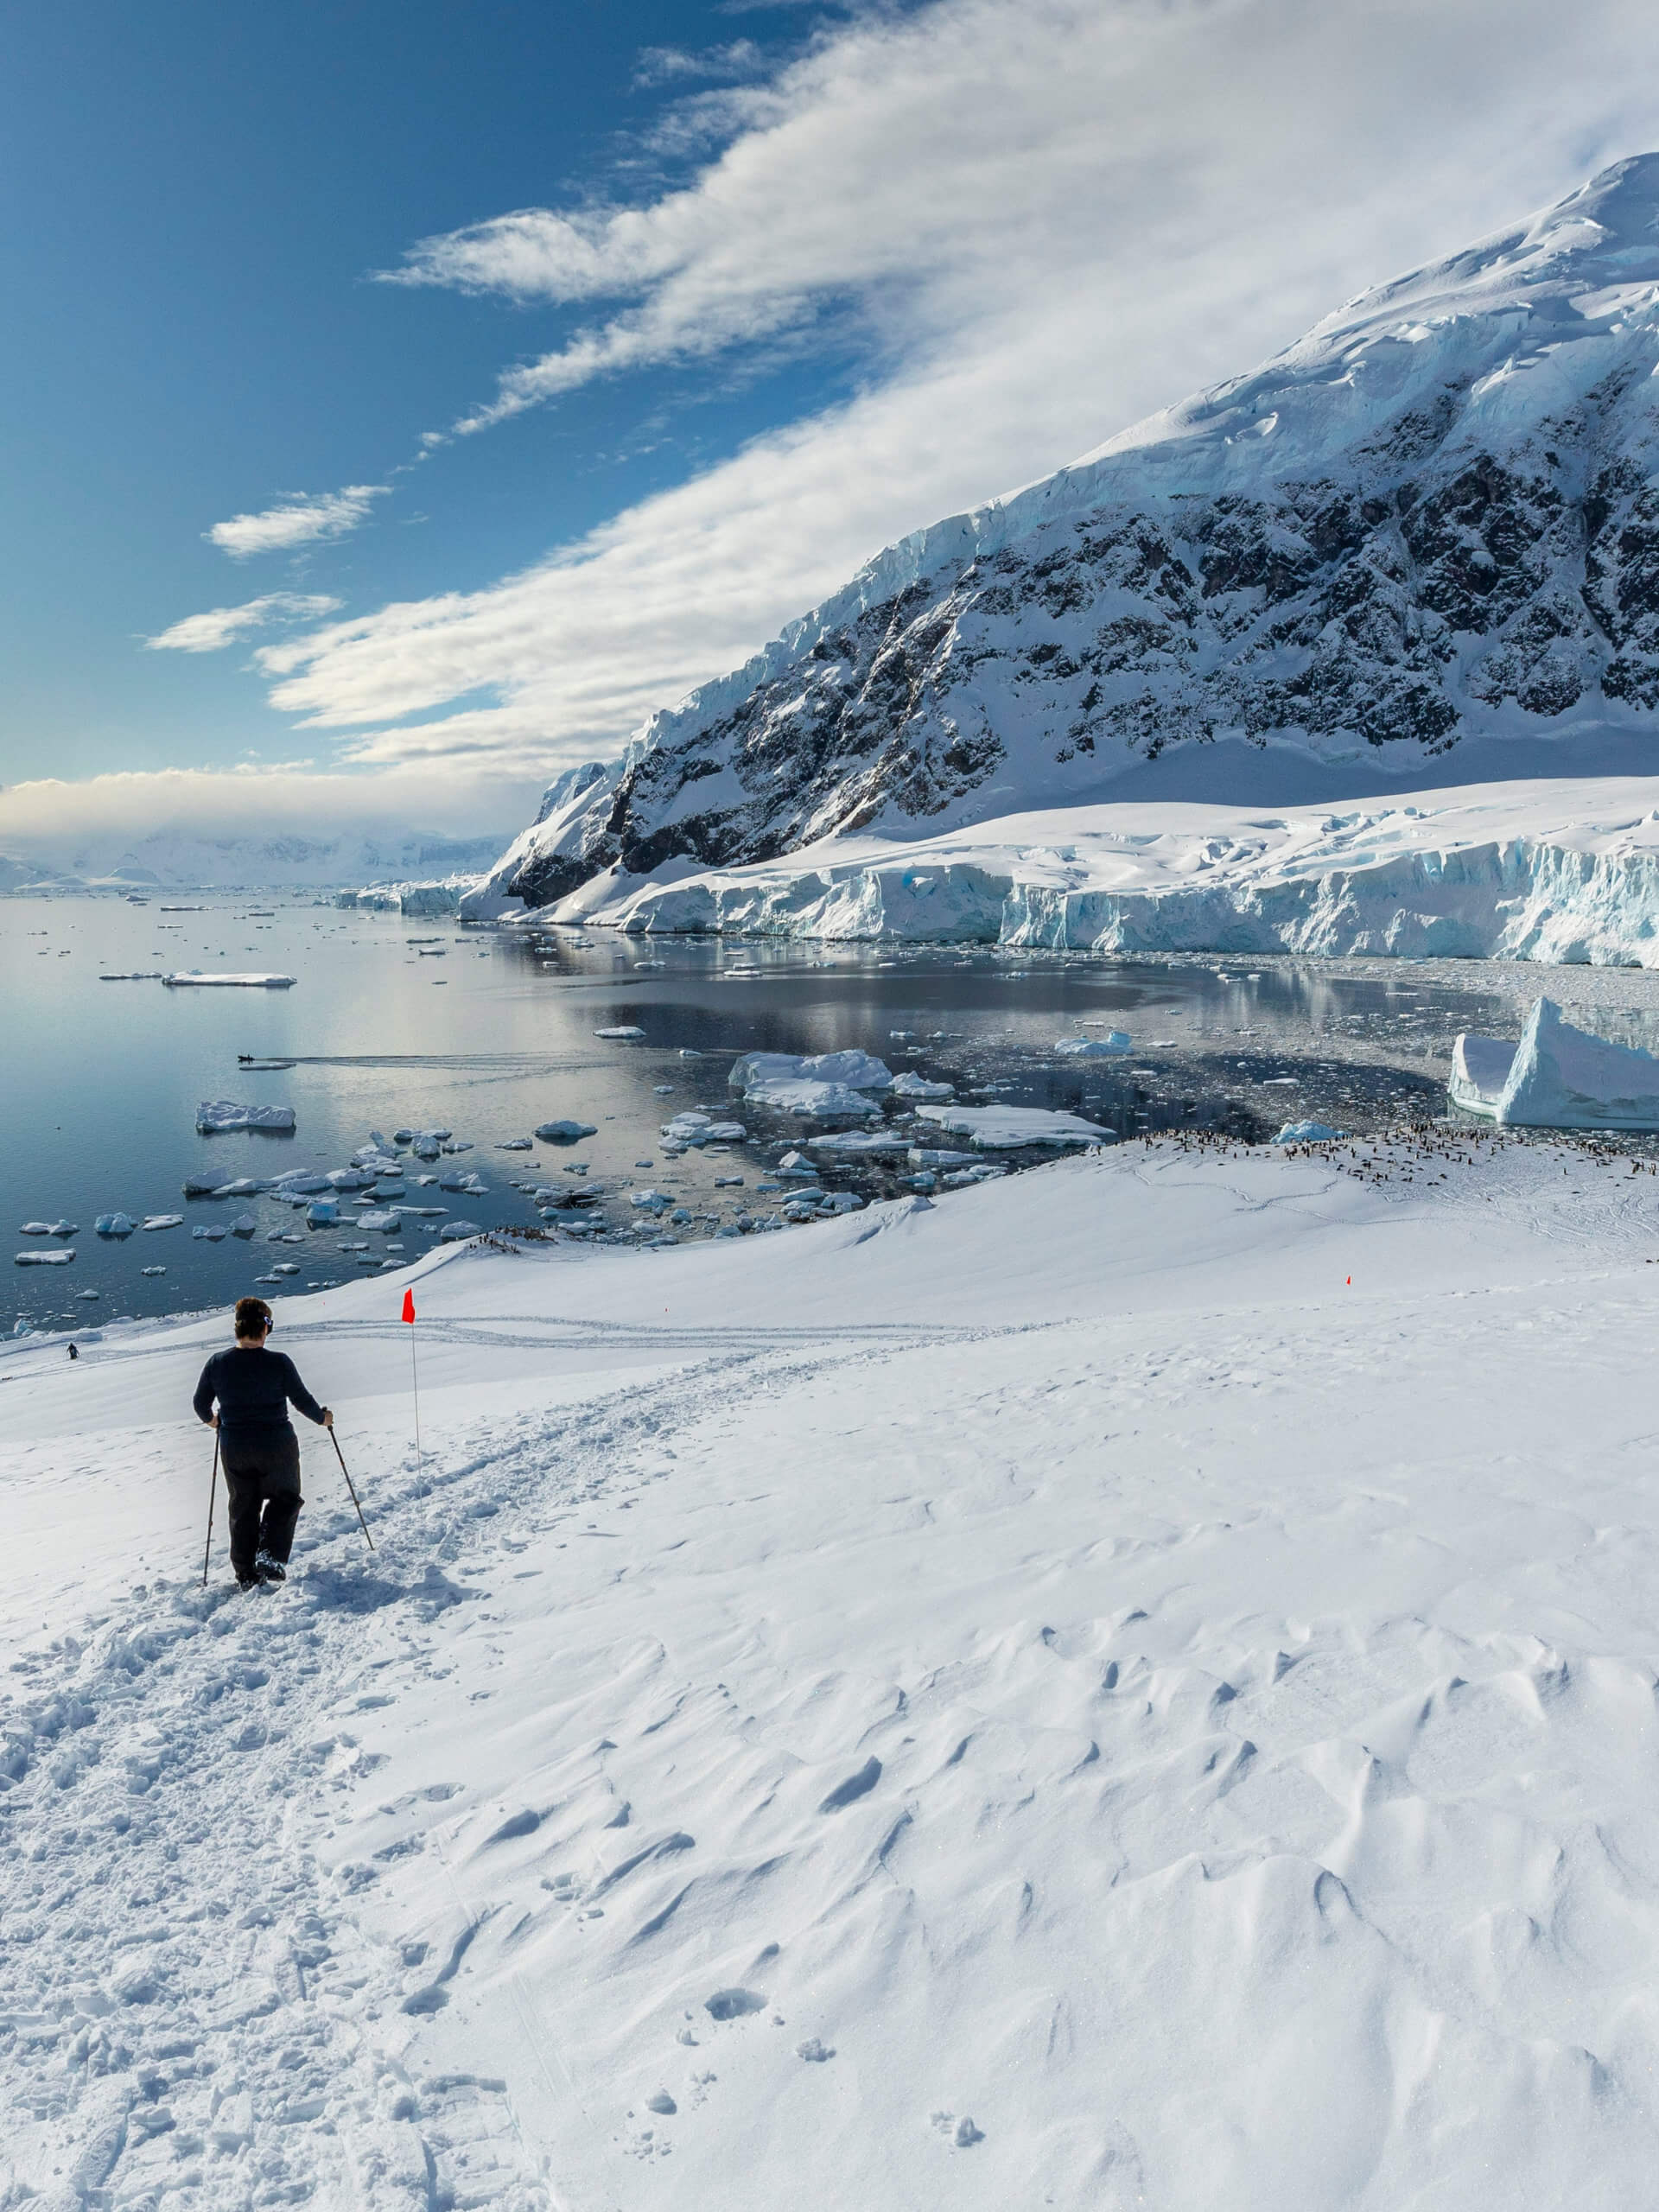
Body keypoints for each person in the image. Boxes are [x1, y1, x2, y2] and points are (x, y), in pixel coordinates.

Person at [194, 1297, 333, 1590]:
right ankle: (270, 1555)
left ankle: (245, 1572)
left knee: (243, 1506)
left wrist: (214, 1422)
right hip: (276, 1445)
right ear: (265, 1328)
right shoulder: (278, 1362)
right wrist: (322, 1419)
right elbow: (301, 1400)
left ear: (237, 1329)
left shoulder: (217, 1363)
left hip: (235, 1447)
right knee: (286, 1498)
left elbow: (200, 1404)